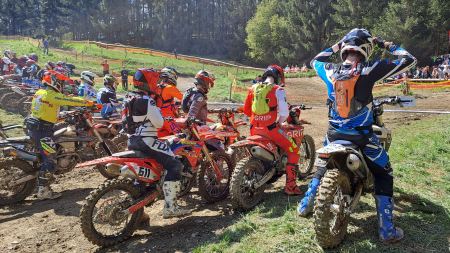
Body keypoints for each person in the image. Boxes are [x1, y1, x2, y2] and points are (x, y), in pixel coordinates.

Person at [297, 28, 416, 243]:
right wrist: (385, 44)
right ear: (366, 49)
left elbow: (315, 60)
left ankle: (306, 204)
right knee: (384, 172)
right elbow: (409, 60)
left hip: (333, 136)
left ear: (344, 49)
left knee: (322, 166)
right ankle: (386, 229)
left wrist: (336, 44)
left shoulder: (330, 69)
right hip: (362, 138)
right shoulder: (369, 69)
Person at [124, 70, 191, 219]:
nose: (157, 84)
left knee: (143, 176)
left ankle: (139, 212)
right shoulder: (148, 101)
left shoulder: (128, 97)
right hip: (147, 140)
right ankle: (171, 207)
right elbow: (159, 122)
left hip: (131, 140)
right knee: (175, 165)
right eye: (155, 81)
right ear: (149, 83)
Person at [26, 74, 94, 199]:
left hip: (37, 126)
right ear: (55, 82)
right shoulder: (52, 95)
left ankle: (43, 179)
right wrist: (89, 103)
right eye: (61, 83)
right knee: (50, 159)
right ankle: (43, 191)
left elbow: (47, 109)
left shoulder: (41, 92)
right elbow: (69, 100)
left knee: (51, 150)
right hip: (42, 130)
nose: (63, 86)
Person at [243, 65, 302, 195]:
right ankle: (291, 187)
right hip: (271, 130)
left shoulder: (253, 88)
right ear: (278, 77)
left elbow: (247, 111)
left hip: (254, 129)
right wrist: (279, 122)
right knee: (294, 150)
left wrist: (260, 117)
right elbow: (285, 113)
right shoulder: (278, 90)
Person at [157, 67, 183, 137]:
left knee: (163, 137)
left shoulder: (157, 87)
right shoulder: (170, 88)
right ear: (171, 76)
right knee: (181, 137)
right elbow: (185, 99)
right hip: (168, 119)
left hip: (157, 117)